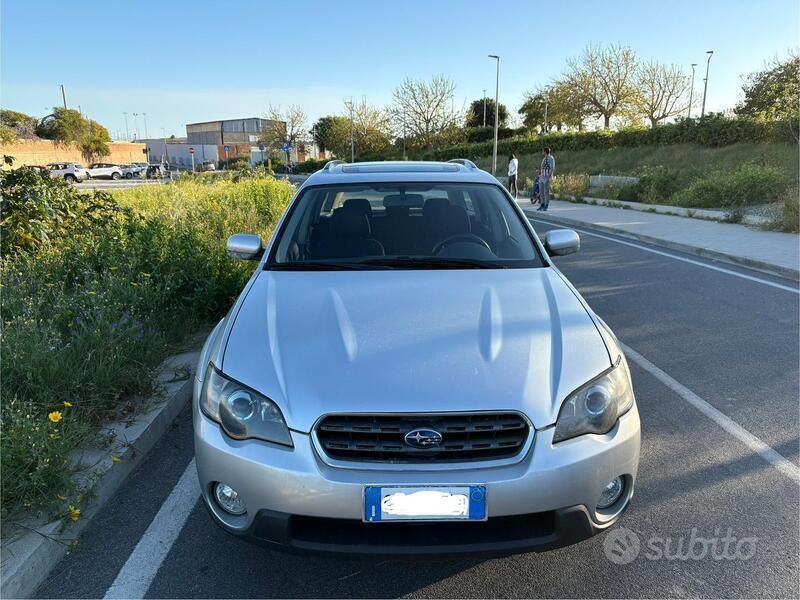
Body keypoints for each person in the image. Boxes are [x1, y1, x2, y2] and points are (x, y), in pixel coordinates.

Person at [536, 147, 555, 211]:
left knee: (546, 192)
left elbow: (552, 168)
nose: (542, 152)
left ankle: (546, 205)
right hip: (542, 177)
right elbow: (542, 167)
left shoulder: (551, 158)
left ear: (545, 152)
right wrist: (540, 175)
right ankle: (542, 204)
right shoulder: (544, 159)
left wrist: (549, 177)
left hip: (547, 177)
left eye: (543, 151)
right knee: (541, 192)